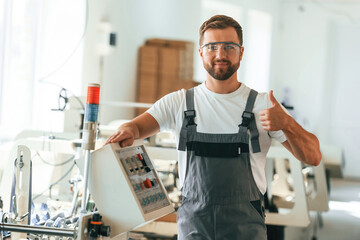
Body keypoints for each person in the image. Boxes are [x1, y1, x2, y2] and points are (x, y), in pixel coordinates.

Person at [105, 15, 321, 240]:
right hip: (194, 230)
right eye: (212, 47)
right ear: (201, 52)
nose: (220, 54)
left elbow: (313, 157)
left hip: (246, 232)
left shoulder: (264, 105)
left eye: (229, 46)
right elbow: (136, 127)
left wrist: (287, 124)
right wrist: (128, 130)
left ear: (241, 52)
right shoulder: (178, 103)